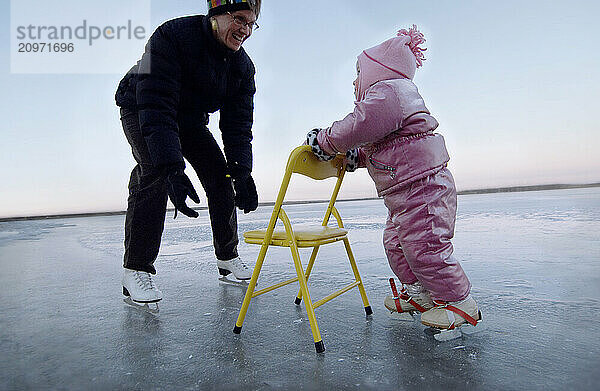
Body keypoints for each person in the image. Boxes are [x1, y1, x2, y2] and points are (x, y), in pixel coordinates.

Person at [305, 25, 480, 330]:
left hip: (424, 189)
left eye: (359, 73)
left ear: (378, 71)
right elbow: (380, 146)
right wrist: (355, 157)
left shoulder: (390, 93)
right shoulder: (389, 101)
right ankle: (421, 293)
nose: (354, 81)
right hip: (403, 193)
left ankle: (458, 302)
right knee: (396, 245)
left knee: (425, 246)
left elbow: (358, 126)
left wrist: (325, 141)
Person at [115, 0, 262, 306]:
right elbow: (155, 104)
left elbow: (238, 124)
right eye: (239, 19)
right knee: (153, 172)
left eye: (251, 23)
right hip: (142, 105)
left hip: (190, 119)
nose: (245, 30)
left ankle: (227, 257)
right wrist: (171, 166)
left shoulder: (242, 68)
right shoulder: (173, 36)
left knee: (221, 179)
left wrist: (242, 170)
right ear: (216, 13)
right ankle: (136, 269)